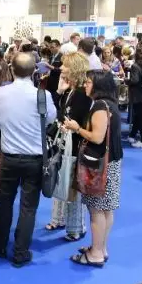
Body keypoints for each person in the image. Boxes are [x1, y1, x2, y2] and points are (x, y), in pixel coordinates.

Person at [0, 53, 57, 267]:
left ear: (11, 69)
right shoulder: (42, 96)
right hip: (34, 159)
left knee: (4, 202)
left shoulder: (0, 93)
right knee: (28, 207)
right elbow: (51, 119)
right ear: (34, 70)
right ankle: (20, 252)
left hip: (8, 157)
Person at [65, 70, 123, 267]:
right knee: (106, 209)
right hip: (111, 162)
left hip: (99, 165)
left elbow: (97, 137)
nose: (86, 85)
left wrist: (77, 128)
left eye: (89, 82)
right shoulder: (111, 104)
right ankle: (101, 247)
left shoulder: (99, 106)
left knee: (96, 210)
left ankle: (96, 253)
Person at [47, 52, 92, 238]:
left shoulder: (82, 94)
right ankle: (59, 219)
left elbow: (73, 120)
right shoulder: (70, 90)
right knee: (60, 180)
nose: (61, 68)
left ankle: (76, 228)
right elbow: (57, 113)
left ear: (74, 69)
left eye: (65, 65)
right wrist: (59, 91)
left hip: (75, 146)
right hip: (64, 144)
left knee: (73, 187)